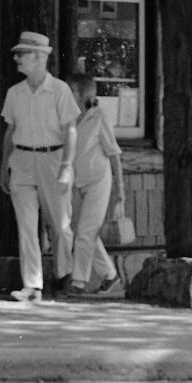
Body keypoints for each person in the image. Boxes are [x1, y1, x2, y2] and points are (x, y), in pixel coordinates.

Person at [0, 31, 76, 303]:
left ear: (39, 57)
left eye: (22, 53)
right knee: (27, 226)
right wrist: (3, 167)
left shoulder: (60, 90)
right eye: (17, 53)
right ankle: (33, 285)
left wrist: (67, 165)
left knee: (60, 224)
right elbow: (10, 132)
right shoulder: (14, 93)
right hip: (21, 161)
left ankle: (64, 275)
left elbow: (71, 130)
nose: (17, 58)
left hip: (52, 160)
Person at [62, 73, 127, 295]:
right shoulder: (68, 116)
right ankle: (110, 275)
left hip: (99, 181)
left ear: (81, 93)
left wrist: (120, 190)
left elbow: (114, 153)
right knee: (83, 231)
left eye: (71, 89)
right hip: (76, 181)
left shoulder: (99, 116)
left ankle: (78, 282)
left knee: (85, 232)